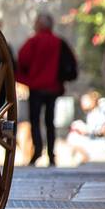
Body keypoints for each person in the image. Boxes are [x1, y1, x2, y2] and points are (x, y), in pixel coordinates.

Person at [15, 12, 76, 166]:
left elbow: (22, 59)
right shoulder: (58, 42)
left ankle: (37, 152)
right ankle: (50, 154)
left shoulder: (33, 41)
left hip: (36, 87)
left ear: (38, 25)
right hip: (53, 87)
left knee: (35, 121)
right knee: (50, 121)